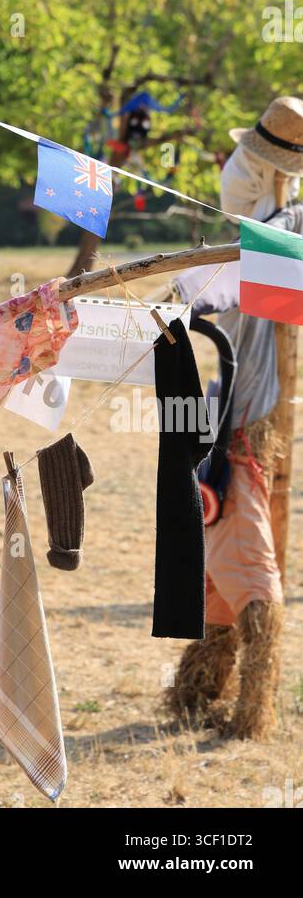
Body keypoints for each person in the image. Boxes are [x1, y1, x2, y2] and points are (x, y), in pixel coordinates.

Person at [169, 96, 303, 739]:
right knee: (225, 552)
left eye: (251, 164)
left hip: (250, 422)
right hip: (242, 413)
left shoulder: (281, 237)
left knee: (246, 561)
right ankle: (200, 687)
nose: (236, 171)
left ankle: (252, 708)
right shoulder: (268, 232)